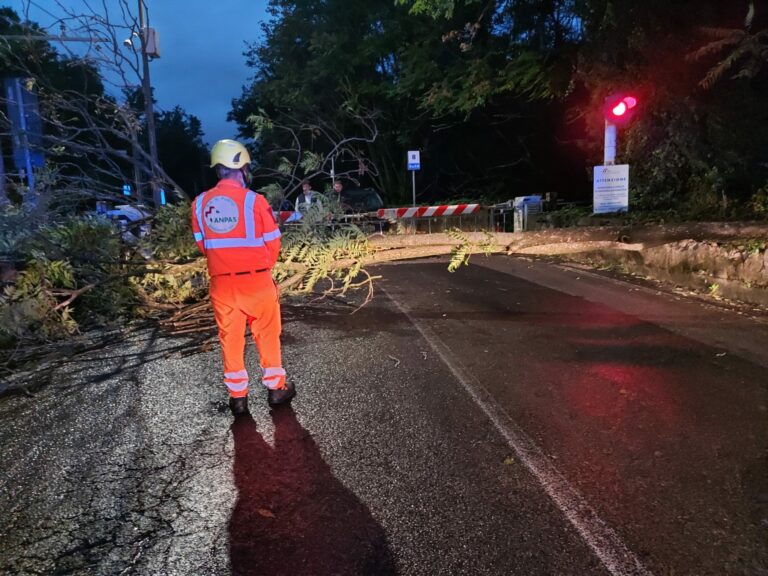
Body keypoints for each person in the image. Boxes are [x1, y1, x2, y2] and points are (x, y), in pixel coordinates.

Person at [191, 139, 296, 416]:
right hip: (257, 282)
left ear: (218, 170)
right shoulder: (255, 201)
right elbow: (273, 244)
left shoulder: (200, 204)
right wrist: (260, 268)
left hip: (222, 285)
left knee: (230, 338)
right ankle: (276, 389)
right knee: (267, 334)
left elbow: (203, 245)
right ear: (243, 167)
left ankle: (238, 397)